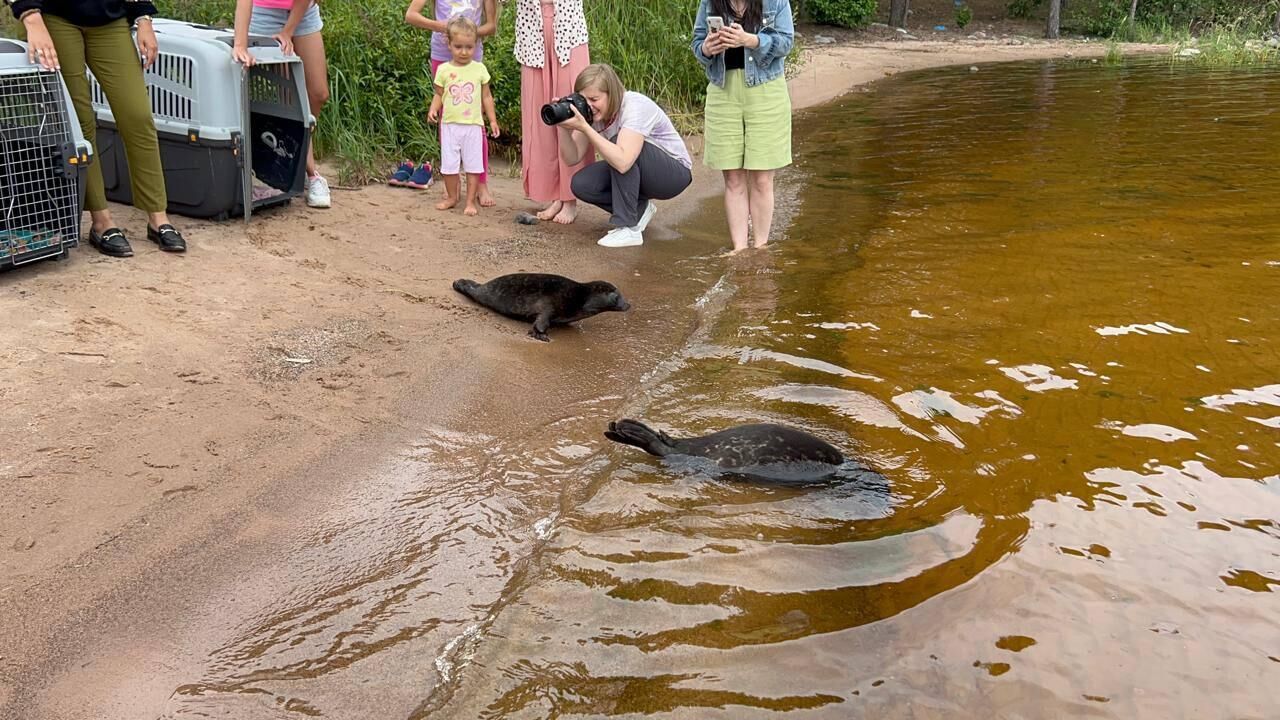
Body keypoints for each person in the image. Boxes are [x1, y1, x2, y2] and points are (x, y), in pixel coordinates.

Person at [12, 0, 188, 256]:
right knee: (79, 121)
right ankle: (101, 221)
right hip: (53, 17)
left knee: (137, 115)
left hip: (110, 18)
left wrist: (144, 17)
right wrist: (30, 17)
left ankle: (158, 217)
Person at [691, 0, 794, 253]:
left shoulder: (776, 2)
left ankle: (760, 247)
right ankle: (738, 249)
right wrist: (707, 47)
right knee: (733, 178)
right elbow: (697, 45)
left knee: (761, 178)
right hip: (723, 91)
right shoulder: (710, 3)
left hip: (766, 91)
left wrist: (751, 40)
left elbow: (786, 42)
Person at [556, 63, 692, 248]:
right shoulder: (592, 116)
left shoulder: (635, 105)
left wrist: (585, 128)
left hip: (673, 174)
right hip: (637, 169)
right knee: (582, 184)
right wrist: (563, 128)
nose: (589, 106)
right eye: (583, 99)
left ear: (612, 94)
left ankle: (628, 228)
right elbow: (572, 157)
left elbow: (623, 161)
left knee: (618, 146)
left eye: (594, 99)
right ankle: (639, 210)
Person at [232, 0, 332, 209]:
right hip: (265, 13)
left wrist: (288, 31)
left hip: (304, 12)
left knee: (319, 93)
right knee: (290, 98)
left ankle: (295, 162)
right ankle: (311, 175)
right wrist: (240, 44)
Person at [405, 0, 498, 206]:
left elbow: (491, 26)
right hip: (442, 54)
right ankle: (452, 186)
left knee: (475, 121)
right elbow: (411, 15)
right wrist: (444, 28)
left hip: (472, 57)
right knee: (447, 119)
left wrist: (468, 36)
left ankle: (481, 183)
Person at [515, 0, 590, 224]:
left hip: (569, 31)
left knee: (570, 110)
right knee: (541, 118)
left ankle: (570, 198)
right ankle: (555, 195)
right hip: (532, 34)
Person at [428, 16, 500, 216]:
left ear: (476, 45)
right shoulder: (443, 70)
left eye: (469, 47)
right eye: (458, 46)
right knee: (449, 165)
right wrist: (433, 109)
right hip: (449, 125)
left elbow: (486, 96)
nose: (464, 51)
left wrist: (492, 120)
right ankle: (452, 197)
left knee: (473, 165)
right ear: (449, 44)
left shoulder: (479, 69)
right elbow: (439, 94)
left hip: (473, 126)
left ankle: (470, 201)